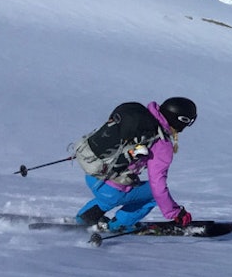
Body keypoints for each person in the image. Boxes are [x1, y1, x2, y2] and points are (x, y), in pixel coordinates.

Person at [74, 97, 197, 232]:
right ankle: (118, 225)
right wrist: (175, 213)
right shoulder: (161, 144)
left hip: (92, 172)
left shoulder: (136, 115)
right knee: (152, 194)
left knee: (112, 194)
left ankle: (82, 219)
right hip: (111, 188)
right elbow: (158, 185)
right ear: (181, 121)